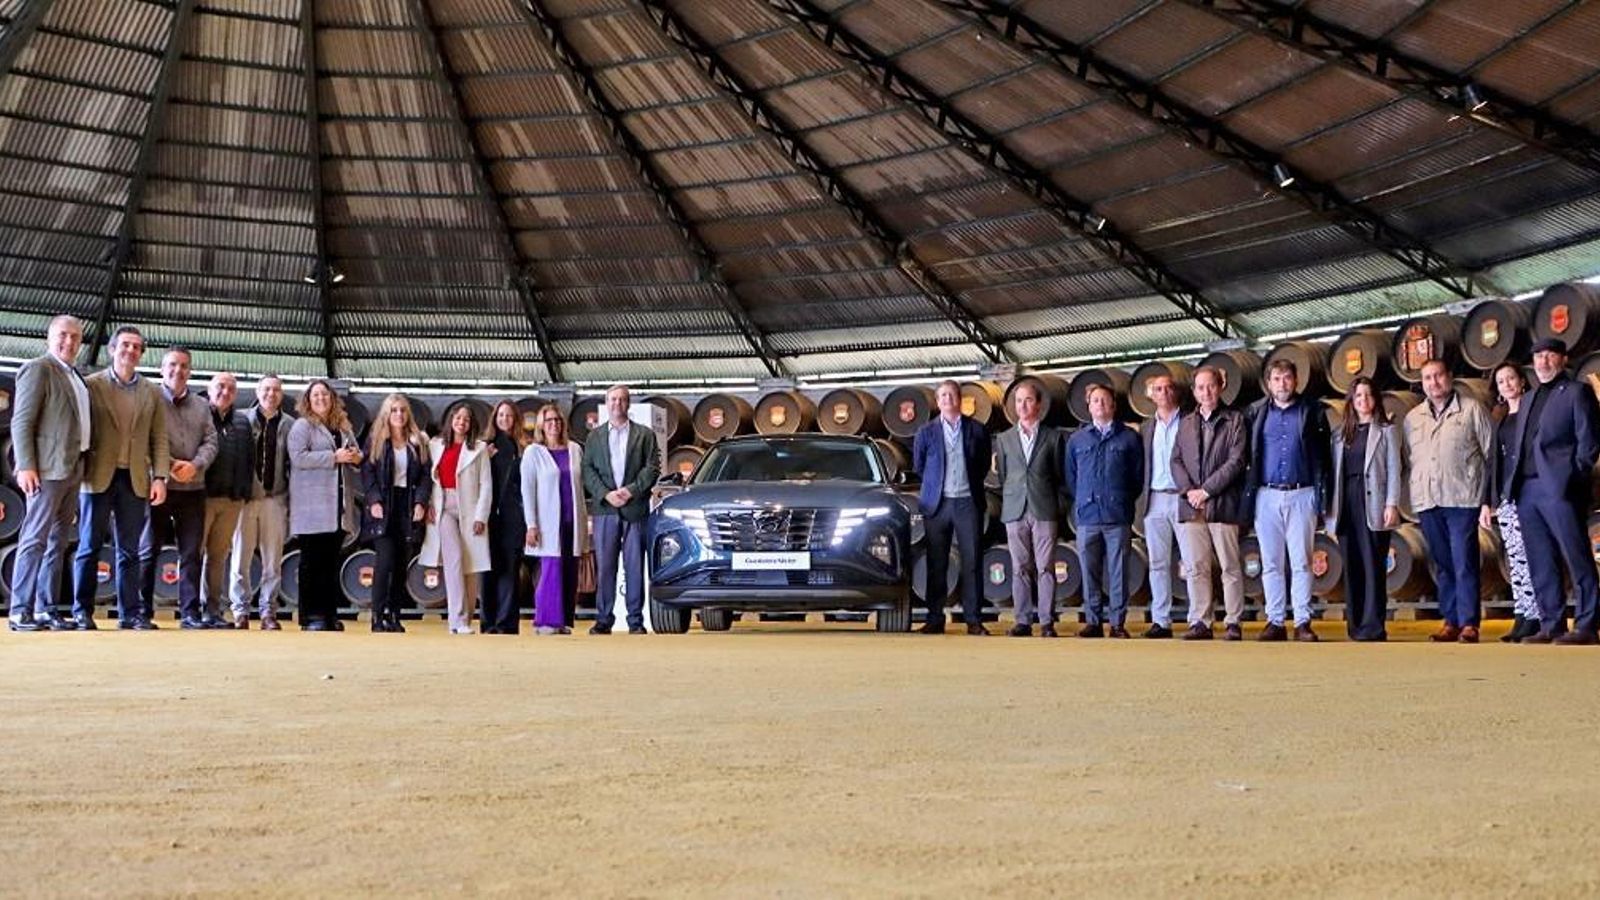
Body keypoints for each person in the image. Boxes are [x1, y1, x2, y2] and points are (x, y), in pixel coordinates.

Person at [1505, 338, 1600, 644]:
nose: (1543, 362)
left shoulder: (1576, 392)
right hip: (1527, 489)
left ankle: (1586, 625)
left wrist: (1574, 479)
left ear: (1563, 359)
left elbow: (1589, 442)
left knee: (1576, 555)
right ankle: (1551, 623)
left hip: (1559, 488)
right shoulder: (1530, 397)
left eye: (1549, 356)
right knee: (1540, 558)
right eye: (1538, 356)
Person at [74, 326, 169, 630]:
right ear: (112, 349)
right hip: (97, 477)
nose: (131, 351)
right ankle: (81, 611)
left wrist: (160, 478)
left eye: (137, 347)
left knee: (129, 549)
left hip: (135, 479)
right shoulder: (90, 385)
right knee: (89, 545)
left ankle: (130, 614)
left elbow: (159, 438)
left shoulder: (152, 391)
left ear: (141, 353)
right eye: (125, 345)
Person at [8, 315, 91, 631]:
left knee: (58, 542)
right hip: (46, 469)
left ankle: (45, 608)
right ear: (49, 337)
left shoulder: (75, 376)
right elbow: (22, 421)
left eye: (75, 337)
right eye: (63, 335)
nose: (69, 342)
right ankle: (19, 611)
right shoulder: (38, 368)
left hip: (73, 468)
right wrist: (26, 465)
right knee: (34, 539)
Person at [1402, 359, 1493, 643]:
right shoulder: (1412, 418)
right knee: (1442, 562)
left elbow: (1490, 455)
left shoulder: (1472, 410)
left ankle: (1469, 623)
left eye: (1438, 375)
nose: (1434, 382)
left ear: (1449, 377)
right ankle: (1450, 620)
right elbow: (1410, 459)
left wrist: (1488, 499)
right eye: (1427, 378)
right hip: (1428, 500)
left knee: (1464, 560)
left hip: (1462, 498)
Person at [1246, 358, 1331, 642]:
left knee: (1301, 560)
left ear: (1296, 381)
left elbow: (1324, 458)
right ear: (1268, 383)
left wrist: (1323, 497)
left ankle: (1303, 621)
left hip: (1302, 492)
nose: (1282, 384)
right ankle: (1275, 620)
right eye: (1277, 379)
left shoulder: (1312, 411)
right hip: (1266, 494)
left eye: (1287, 378)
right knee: (1270, 561)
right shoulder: (1256, 413)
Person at [139, 347, 218, 629]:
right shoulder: (149, 399)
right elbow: (143, 441)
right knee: (149, 549)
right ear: (162, 369)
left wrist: (195, 466)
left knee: (191, 553)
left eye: (184, 366)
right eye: (173, 365)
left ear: (190, 371)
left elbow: (211, 442)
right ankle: (141, 611)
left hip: (194, 489)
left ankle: (190, 614)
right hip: (158, 486)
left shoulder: (201, 405)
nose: (178, 370)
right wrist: (171, 466)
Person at [1172, 366, 1249, 640]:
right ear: (1194, 391)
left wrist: (1206, 490)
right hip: (1191, 507)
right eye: (1201, 387)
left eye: (1211, 386)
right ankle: (1201, 621)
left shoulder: (1235, 420)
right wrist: (1189, 491)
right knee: (1196, 568)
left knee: (1229, 566)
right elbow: (1176, 460)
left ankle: (1233, 621)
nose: (1206, 392)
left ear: (1221, 386)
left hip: (1222, 503)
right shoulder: (1185, 423)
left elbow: (1236, 462)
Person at [910, 380, 992, 635]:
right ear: (937, 401)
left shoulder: (977, 430)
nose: (948, 399)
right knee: (937, 563)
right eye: (943, 395)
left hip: (967, 502)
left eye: (952, 395)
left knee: (972, 561)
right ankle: (935, 618)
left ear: (960, 399)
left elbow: (982, 466)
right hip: (937, 504)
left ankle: (973, 619)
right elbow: (919, 466)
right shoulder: (925, 432)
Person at [1326, 377, 1401, 642]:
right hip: (1346, 503)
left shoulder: (1386, 430)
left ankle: (1374, 625)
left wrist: (1392, 503)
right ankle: (1355, 625)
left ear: (1375, 399)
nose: (1363, 401)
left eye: (1368, 395)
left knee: (1373, 566)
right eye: (1358, 396)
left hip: (1375, 503)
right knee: (1353, 566)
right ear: (1351, 401)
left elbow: (1394, 469)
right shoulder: (1340, 435)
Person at [1065, 383, 1142, 638]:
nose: (1099, 404)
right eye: (1095, 400)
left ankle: (1117, 623)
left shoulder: (1129, 437)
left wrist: (1122, 499)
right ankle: (1093, 621)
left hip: (1117, 515)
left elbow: (1137, 477)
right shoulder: (1077, 440)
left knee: (1119, 571)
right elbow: (1071, 476)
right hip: (1087, 515)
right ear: (1088, 406)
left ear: (1113, 405)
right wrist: (1084, 498)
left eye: (1104, 400)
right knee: (1089, 571)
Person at [581, 385, 659, 635]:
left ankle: (635, 621)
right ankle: (604, 619)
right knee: (605, 566)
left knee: (635, 566)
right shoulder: (594, 437)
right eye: (613, 399)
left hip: (635, 509)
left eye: (622, 399)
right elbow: (587, 470)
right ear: (607, 403)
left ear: (629, 404)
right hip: (605, 511)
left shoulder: (645, 435)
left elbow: (652, 468)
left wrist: (631, 490)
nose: (617, 404)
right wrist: (606, 494)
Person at [287, 380, 362, 631]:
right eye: (315, 395)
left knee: (330, 564)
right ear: (308, 400)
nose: (321, 398)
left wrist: (355, 457)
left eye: (325, 394)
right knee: (311, 563)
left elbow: (354, 452)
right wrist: (334, 457)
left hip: (337, 508)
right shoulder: (302, 426)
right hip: (312, 506)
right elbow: (297, 458)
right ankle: (310, 616)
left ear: (332, 398)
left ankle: (329, 615)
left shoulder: (342, 426)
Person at [993, 381, 1063, 637]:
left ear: (1039, 404)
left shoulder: (1053, 437)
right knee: (1019, 567)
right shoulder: (1004, 439)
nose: (1023, 406)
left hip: (1044, 507)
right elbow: (1003, 475)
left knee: (1045, 566)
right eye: (1018, 401)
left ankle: (1046, 621)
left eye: (1028, 400)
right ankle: (1022, 620)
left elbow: (1059, 475)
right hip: (1014, 508)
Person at [360, 394, 431, 633]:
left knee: (401, 564)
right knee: (385, 561)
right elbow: (368, 473)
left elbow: (424, 475)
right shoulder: (376, 440)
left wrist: (421, 502)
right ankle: (377, 616)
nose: (399, 415)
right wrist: (374, 501)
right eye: (394, 410)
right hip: (384, 505)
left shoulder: (418, 441)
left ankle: (394, 615)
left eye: (402, 410)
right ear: (386, 414)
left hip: (407, 504)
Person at [1481, 363, 1541, 642]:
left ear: (1522, 381)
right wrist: (1487, 501)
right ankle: (1522, 615)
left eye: (1510, 378)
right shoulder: (1500, 417)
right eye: (1501, 381)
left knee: (1535, 555)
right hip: (1507, 497)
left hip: (1531, 492)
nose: (1506, 384)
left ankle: (1538, 615)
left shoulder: (1534, 413)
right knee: (1516, 558)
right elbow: (1493, 461)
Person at [422, 403, 492, 635]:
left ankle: (465, 619)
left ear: (471, 424)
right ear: (451, 420)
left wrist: (481, 515)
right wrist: (428, 504)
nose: (461, 422)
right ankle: (457, 620)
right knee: (454, 560)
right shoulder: (435, 445)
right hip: (444, 509)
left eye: (467, 419)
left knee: (471, 567)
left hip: (470, 510)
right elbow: (427, 479)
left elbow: (486, 485)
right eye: (458, 417)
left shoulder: (479, 449)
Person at [521, 403, 590, 635]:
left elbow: (581, 487)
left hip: (572, 519)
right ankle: (545, 621)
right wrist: (531, 524)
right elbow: (527, 490)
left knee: (570, 569)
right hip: (548, 521)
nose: (554, 425)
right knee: (551, 568)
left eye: (558, 420)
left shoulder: (574, 449)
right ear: (541, 425)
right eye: (549, 421)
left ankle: (562, 621)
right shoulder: (534, 452)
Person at [231, 375, 292, 630]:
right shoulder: (241, 419)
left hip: (274, 498)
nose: (271, 394)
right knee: (240, 558)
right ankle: (240, 611)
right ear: (258, 391)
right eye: (266, 389)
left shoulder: (290, 424)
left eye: (276, 390)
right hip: (245, 499)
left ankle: (268, 612)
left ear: (281, 395)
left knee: (273, 560)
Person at [201, 373, 252, 627]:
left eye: (231, 388)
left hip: (231, 500)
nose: (225, 391)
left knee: (219, 556)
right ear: (209, 390)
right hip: (202, 498)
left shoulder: (242, 422)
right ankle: (191, 609)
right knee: (193, 554)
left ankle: (213, 610)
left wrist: (243, 493)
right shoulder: (199, 415)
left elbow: (248, 460)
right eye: (220, 386)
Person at [1139, 373, 1186, 639]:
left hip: (1182, 497)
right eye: (1158, 389)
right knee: (1158, 563)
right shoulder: (1147, 428)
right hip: (1155, 498)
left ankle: (1197, 619)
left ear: (1175, 392)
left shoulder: (1189, 422)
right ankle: (1161, 620)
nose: (1164, 393)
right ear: (1152, 395)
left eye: (1169, 388)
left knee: (1192, 562)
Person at [480, 400, 529, 634]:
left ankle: (506, 623)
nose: (505, 419)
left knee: (510, 570)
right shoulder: (484, 446)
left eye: (509, 415)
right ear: (495, 418)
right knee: (488, 570)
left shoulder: (524, 448)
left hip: (514, 516)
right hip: (489, 516)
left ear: (515, 419)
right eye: (501, 415)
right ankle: (488, 622)